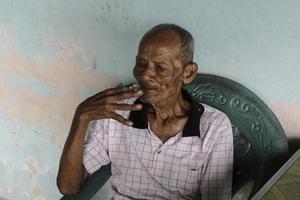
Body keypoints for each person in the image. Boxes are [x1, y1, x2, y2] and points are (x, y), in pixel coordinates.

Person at [57, 24, 233, 200]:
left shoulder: (214, 126)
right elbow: (68, 186)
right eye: (141, 63)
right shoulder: (117, 111)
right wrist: (82, 116)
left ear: (187, 73)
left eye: (160, 68)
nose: (145, 75)